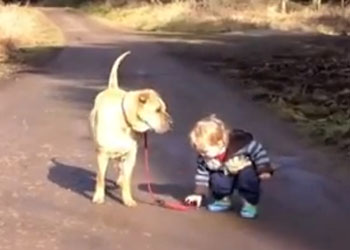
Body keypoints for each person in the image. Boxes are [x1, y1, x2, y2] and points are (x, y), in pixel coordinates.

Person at [185, 114, 274, 218]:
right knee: (217, 180)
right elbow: (202, 175)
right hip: (225, 173)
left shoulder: (241, 145)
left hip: (244, 170)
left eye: (204, 151)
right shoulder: (205, 158)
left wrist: (263, 169)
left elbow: (258, 152)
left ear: (219, 143)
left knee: (248, 179)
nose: (202, 155)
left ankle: (249, 203)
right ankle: (223, 199)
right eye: (199, 151)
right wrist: (199, 194)